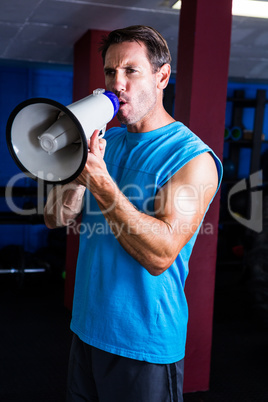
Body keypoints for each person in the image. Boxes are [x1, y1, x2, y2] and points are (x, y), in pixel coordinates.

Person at [44, 25, 222, 402]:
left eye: (130, 71)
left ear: (162, 76)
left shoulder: (192, 158)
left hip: (143, 343)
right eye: (110, 72)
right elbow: (54, 217)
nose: (117, 83)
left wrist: (102, 183)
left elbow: (160, 256)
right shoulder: (106, 141)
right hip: (86, 329)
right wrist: (78, 173)